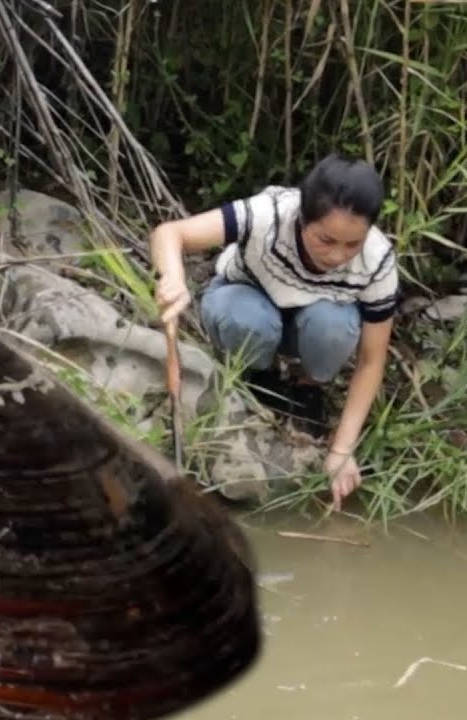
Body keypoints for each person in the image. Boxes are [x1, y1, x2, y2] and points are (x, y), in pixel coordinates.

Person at [148, 154, 399, 510]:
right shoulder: (268, 214)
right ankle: (257, 376)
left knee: (334, 325)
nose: (337, 256)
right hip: (246, 303)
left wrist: (342, 450)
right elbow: (169, 233)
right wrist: (173, 278)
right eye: (325, 240)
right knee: (246, 318)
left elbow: (372, 360)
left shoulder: (377, 259)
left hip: (310, 325)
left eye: (351, 245)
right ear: (302, 217)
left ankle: (308, 386)